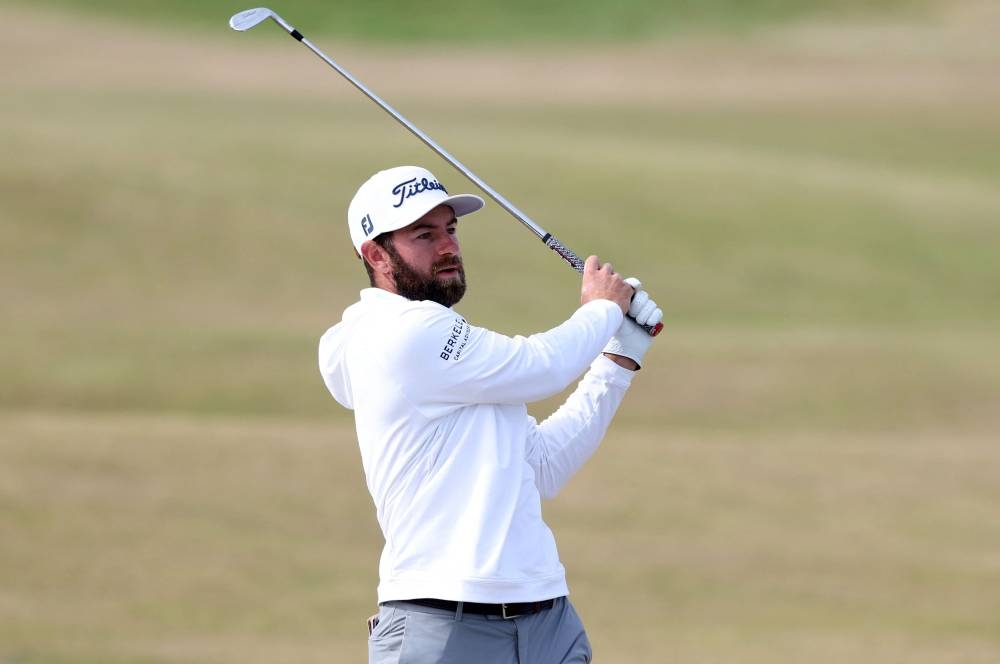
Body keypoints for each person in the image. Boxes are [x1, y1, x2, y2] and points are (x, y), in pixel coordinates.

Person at [318, 165, 663, 663]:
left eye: (450, 230)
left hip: (547, 617)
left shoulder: (455, 356)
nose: (447, 246)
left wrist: (618, 360)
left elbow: (543, 466)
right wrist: (602, 308)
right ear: (375, 254)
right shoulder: (397, 334)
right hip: (441, 625)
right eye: (424, 234)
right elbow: (540, 366)